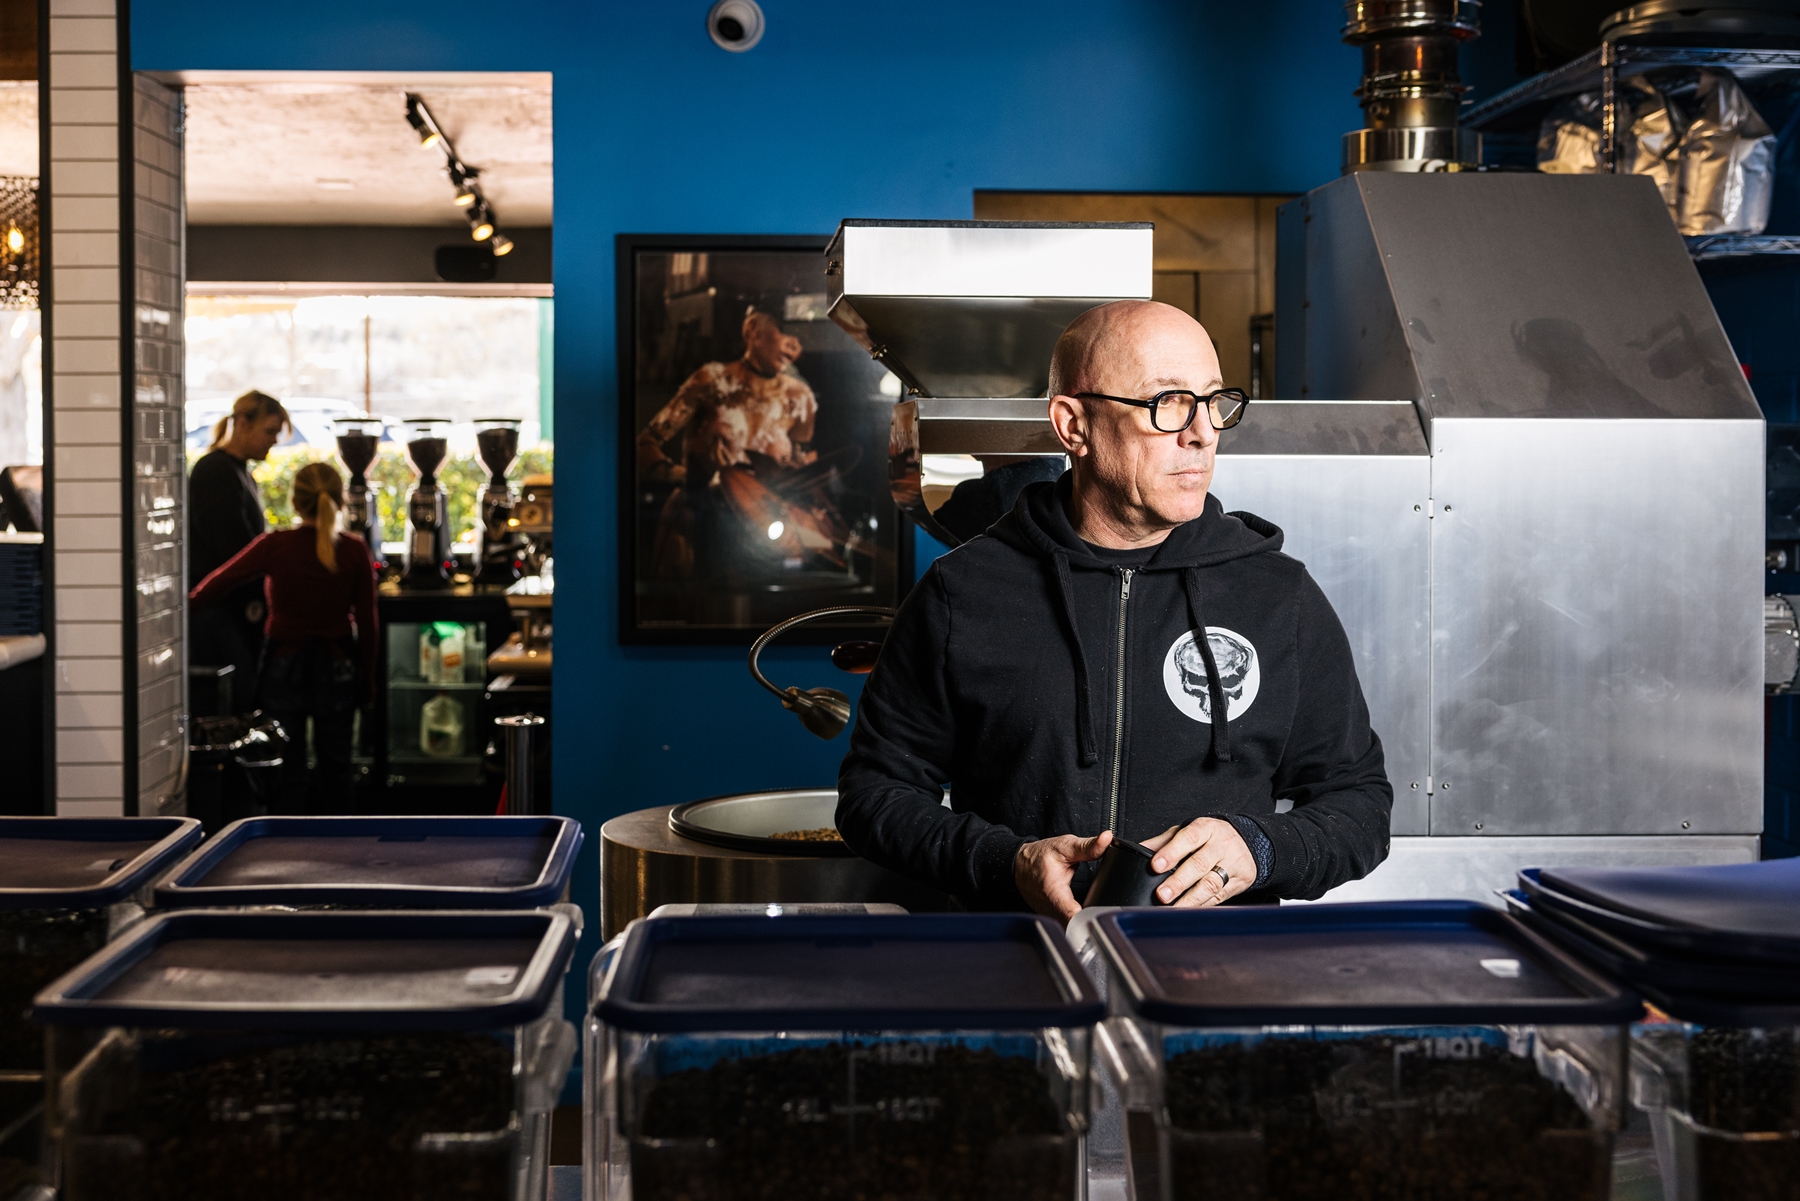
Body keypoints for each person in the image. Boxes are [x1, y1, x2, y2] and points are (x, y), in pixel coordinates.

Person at [837, 300, 1393, 921]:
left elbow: (1359, 804)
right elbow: (874, 796)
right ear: (1074, 425)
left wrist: (1259, 848)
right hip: (1019, 971)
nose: (1202, 432)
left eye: (1212, 401)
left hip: (1215, 984)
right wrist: (1006, 862)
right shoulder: (963, 591)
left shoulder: (1276, 595)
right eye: (1168, 403)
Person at [190, 462, 377, 814]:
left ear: (294, 501)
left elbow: (214, 585)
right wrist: (368, 679)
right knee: (337, 770)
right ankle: (346, 850)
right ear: (339, 500)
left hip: (283, 667)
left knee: (286, 769)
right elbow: (368, 624)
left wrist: (176, 612)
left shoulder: (276, 545)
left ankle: (284, 852)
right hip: (337, 667)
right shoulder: (354, 550)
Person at [638, 309, 819, 579]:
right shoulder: (713, 380)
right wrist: (685, 477)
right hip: (704, 524)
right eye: (783, 330)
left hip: (769, 532)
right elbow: (645, 442)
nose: (795, 343)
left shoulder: (799, 395)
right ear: (752, 331)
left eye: (799, 334)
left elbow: (801, 464)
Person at [187, 390, 289, 706]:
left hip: (229, 609)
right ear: (242, 423)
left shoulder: (241, 472)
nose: (273, 441)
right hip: (217, 613)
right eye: (269, 431)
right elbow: (234, 551)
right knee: (234, 703)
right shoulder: (216, 472)